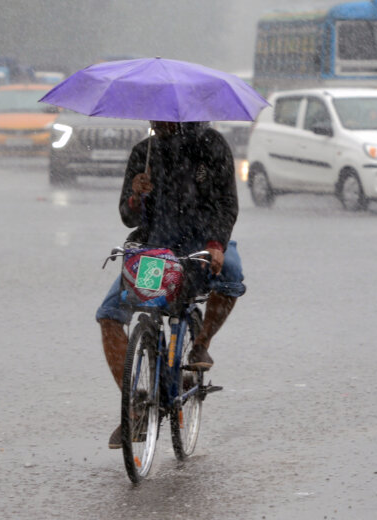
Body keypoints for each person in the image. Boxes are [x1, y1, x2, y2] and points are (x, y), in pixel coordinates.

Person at [96, 120, 246, 448]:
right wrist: (136, 197)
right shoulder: (143, 153)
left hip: (202, 246)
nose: (154, 121)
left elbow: (227, 206)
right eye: (151, 116)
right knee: (109, 316)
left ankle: (201, 340)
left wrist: (217, 243)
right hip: (155, 252)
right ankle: (136, 407)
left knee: (232, 274)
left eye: (162, 116)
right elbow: (128, 216)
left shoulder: (212, 146)